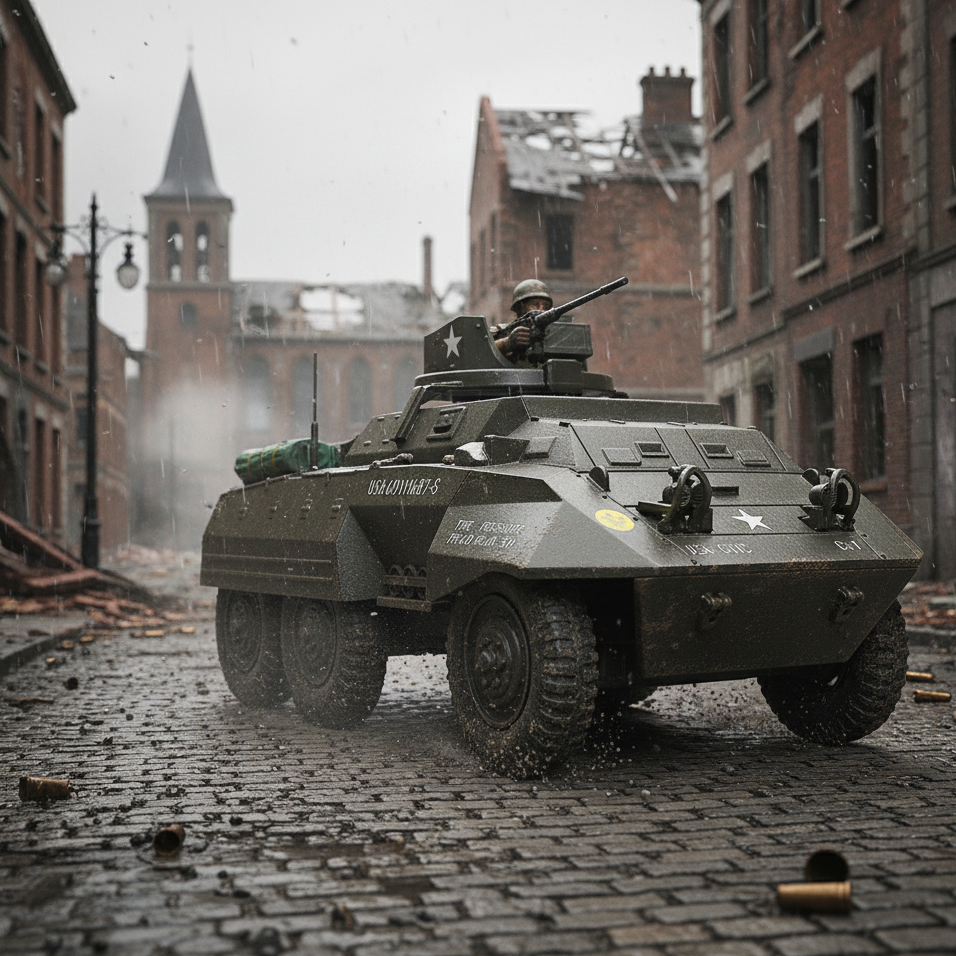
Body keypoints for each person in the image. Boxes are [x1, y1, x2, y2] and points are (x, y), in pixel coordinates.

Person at [492, 279, 553, 359]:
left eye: (546, 306)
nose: (542, 310)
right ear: (520, 307)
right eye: (535, 304)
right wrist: (507, 343)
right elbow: (481, 351)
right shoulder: (501, 331)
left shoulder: (552, 333)